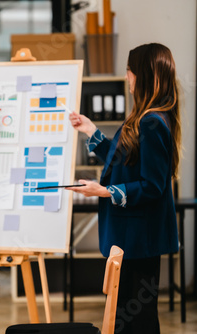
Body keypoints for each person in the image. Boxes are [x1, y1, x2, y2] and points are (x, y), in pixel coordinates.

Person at [67, 43, 181, 334]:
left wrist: (104, 191)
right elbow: (123, 161)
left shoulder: (152, 123)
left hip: (138, 241)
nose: (127, 78)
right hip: (131, 240)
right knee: (129, 319)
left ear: (140, 76)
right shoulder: (145, 119)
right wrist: (92, 132)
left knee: (137, 321)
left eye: (129, 72)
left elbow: (152, 187)